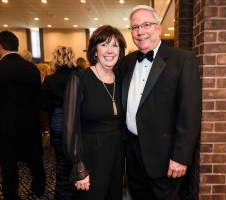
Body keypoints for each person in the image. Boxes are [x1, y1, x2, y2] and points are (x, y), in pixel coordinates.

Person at [119, 5, 202, 200]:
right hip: (132, 154)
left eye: (146, 25)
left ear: (158, 28)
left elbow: (190, 114)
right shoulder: (126, 62)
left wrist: (181, 158)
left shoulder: (183, 60)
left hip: (165, 158)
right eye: (135, 27)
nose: (140, 32)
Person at [63, 25, 127, 200]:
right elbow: (70, 127)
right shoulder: (79, 79)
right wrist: (79, 166)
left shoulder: (121, 80)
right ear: (95, 50)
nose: (110, 51)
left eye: (115, 45)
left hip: (117, 153)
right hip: (91, 153)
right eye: (104, 44)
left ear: (120, 51)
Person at [0, 30, 46, 200]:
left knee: (8, 166)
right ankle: (39, 187)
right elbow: (39, 99)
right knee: (35, 160)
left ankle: (11, 196)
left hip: (4, 127)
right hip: (30, 125)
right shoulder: (32, 69)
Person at [41, 46, 78, 200]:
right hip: (78, 124)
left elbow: (43, 104)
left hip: (58, 124)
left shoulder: (50, 79)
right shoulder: (80, 76)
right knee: (79, 164)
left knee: (62, 167)